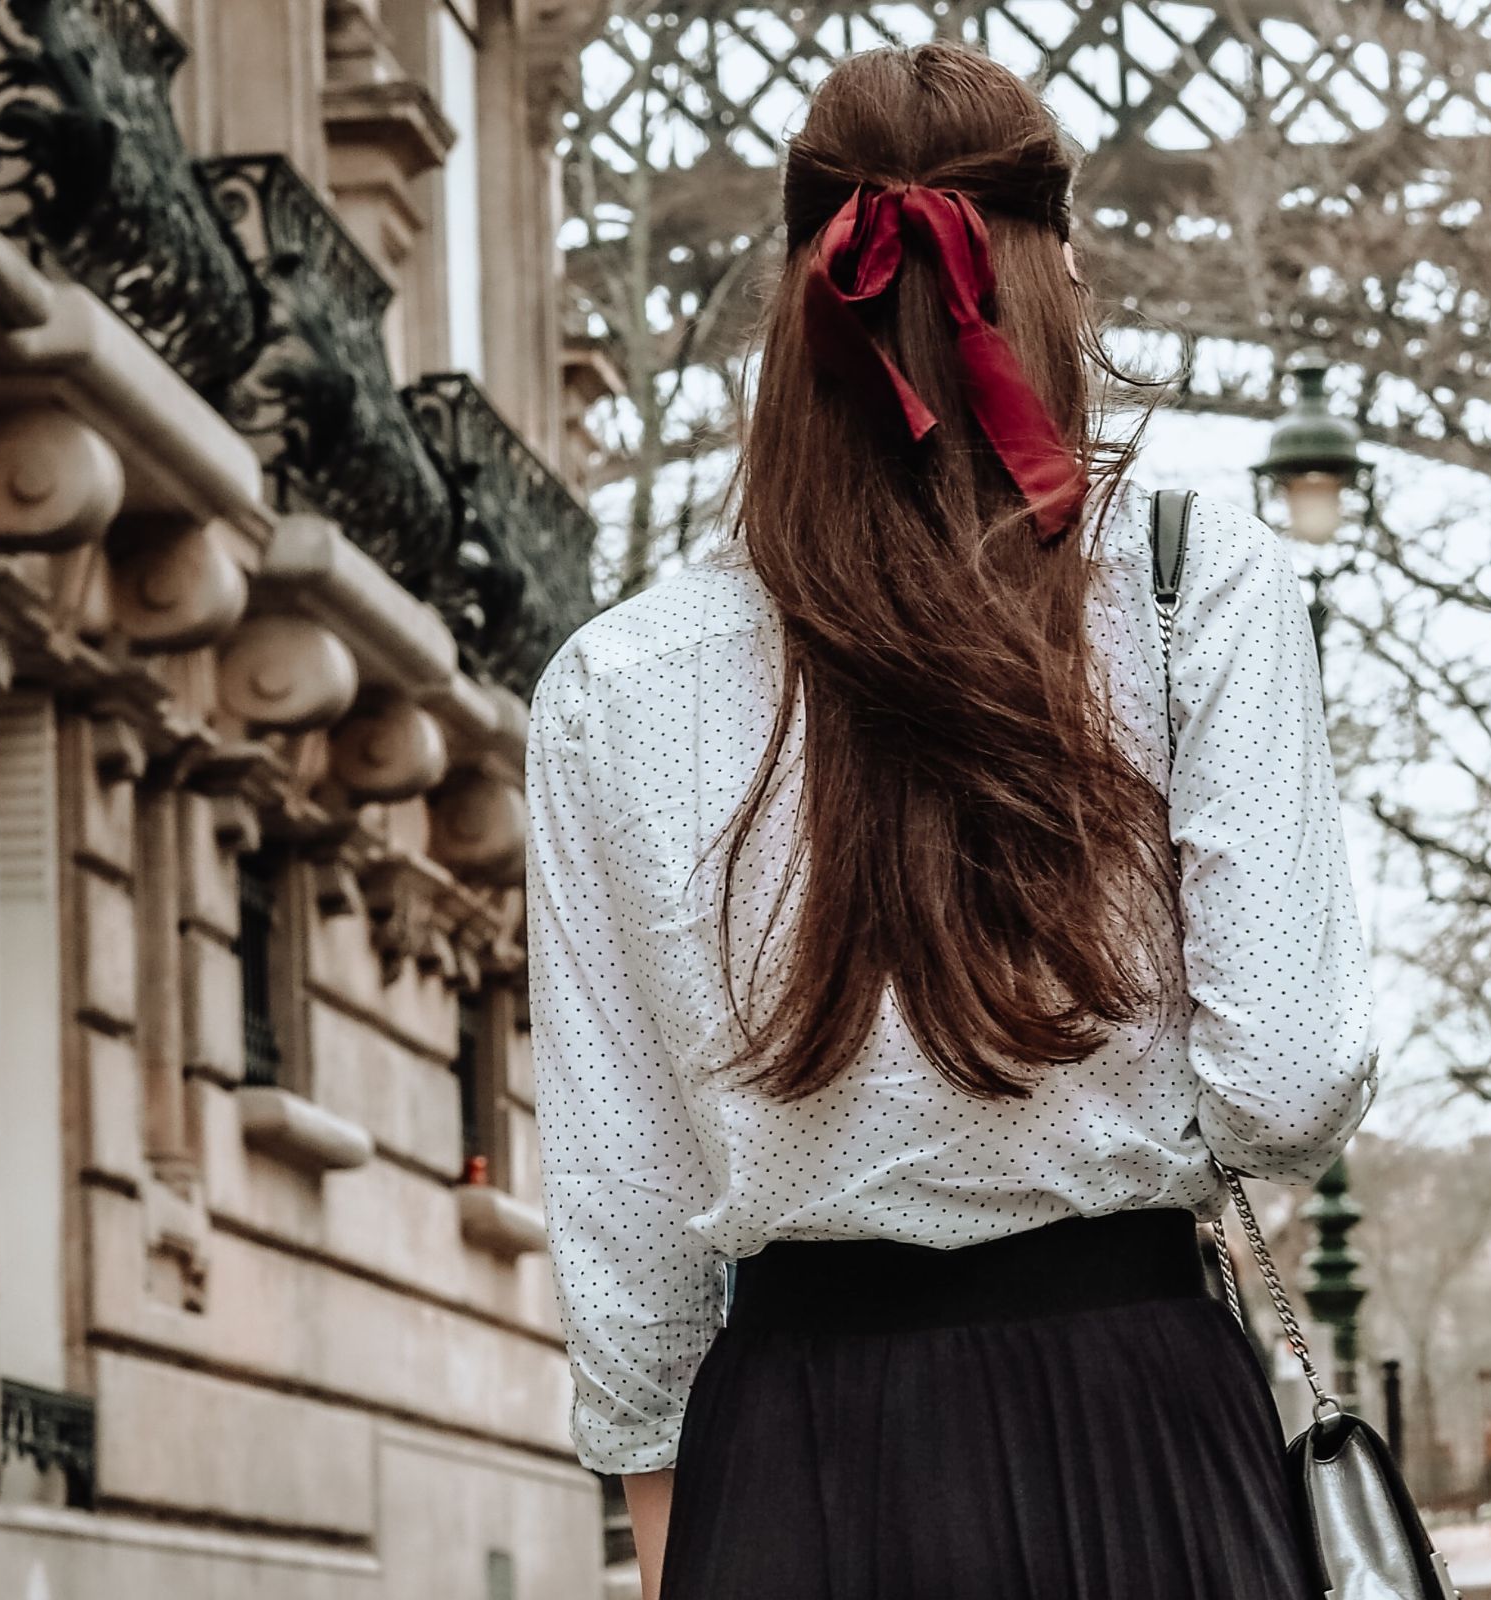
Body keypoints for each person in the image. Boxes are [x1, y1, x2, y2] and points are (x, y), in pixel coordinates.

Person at [525, 42, 1377, 1600]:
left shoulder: (615, 684)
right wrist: (1093, 1130)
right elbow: (1287, 1082)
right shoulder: (1192, 579)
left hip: (788, 1460)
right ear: (1051, 279)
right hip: (1140, 1427)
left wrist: (674, 1539)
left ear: (797, 302)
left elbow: (625, 1202)